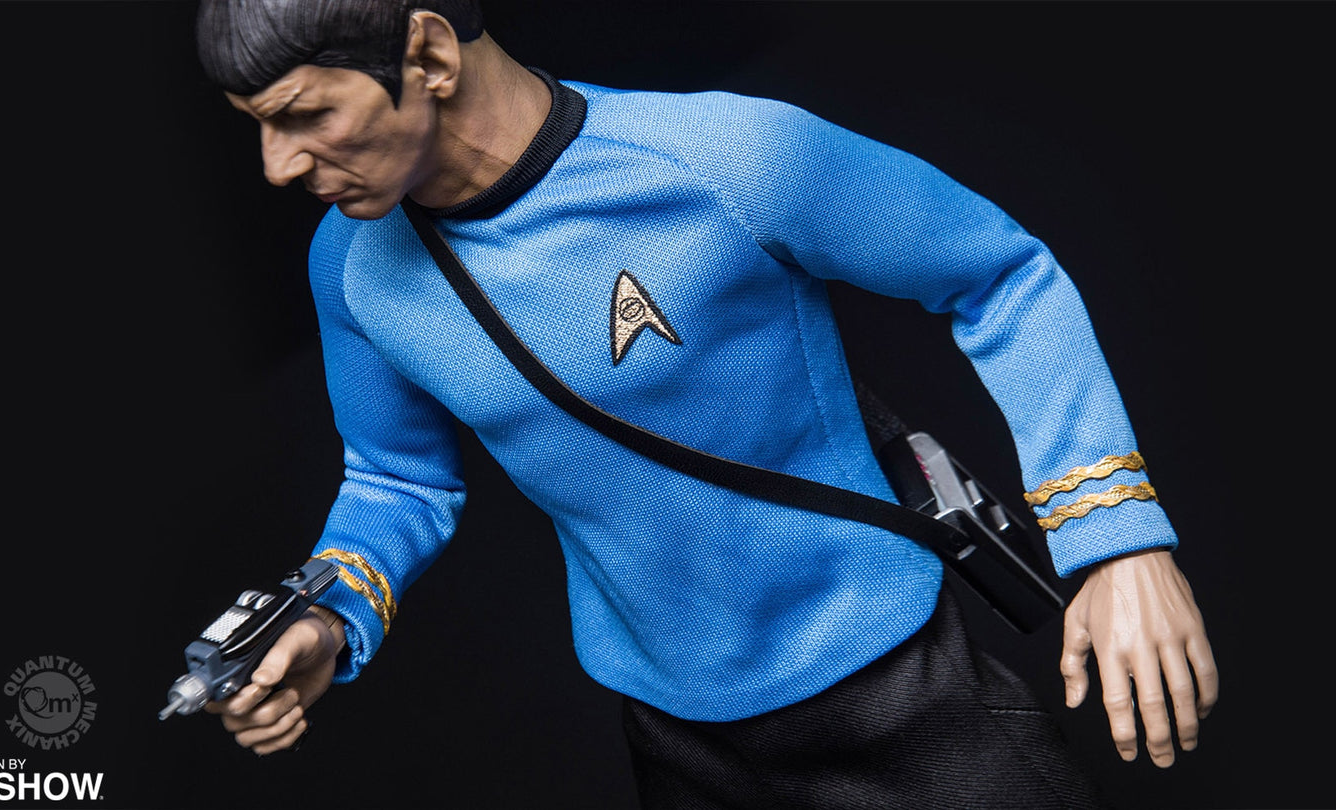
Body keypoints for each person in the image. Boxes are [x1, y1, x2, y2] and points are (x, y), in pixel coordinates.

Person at [193, 1, 1219, 806]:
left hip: (899, 699)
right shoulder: (353, 269)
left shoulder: (720, 158)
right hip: (676, 741)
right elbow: (397, 478)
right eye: (258, 128)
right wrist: (325, 616)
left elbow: (999, 273)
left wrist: (1115, 536)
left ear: (427, 55)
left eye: (305, 115)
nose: (279, 166)